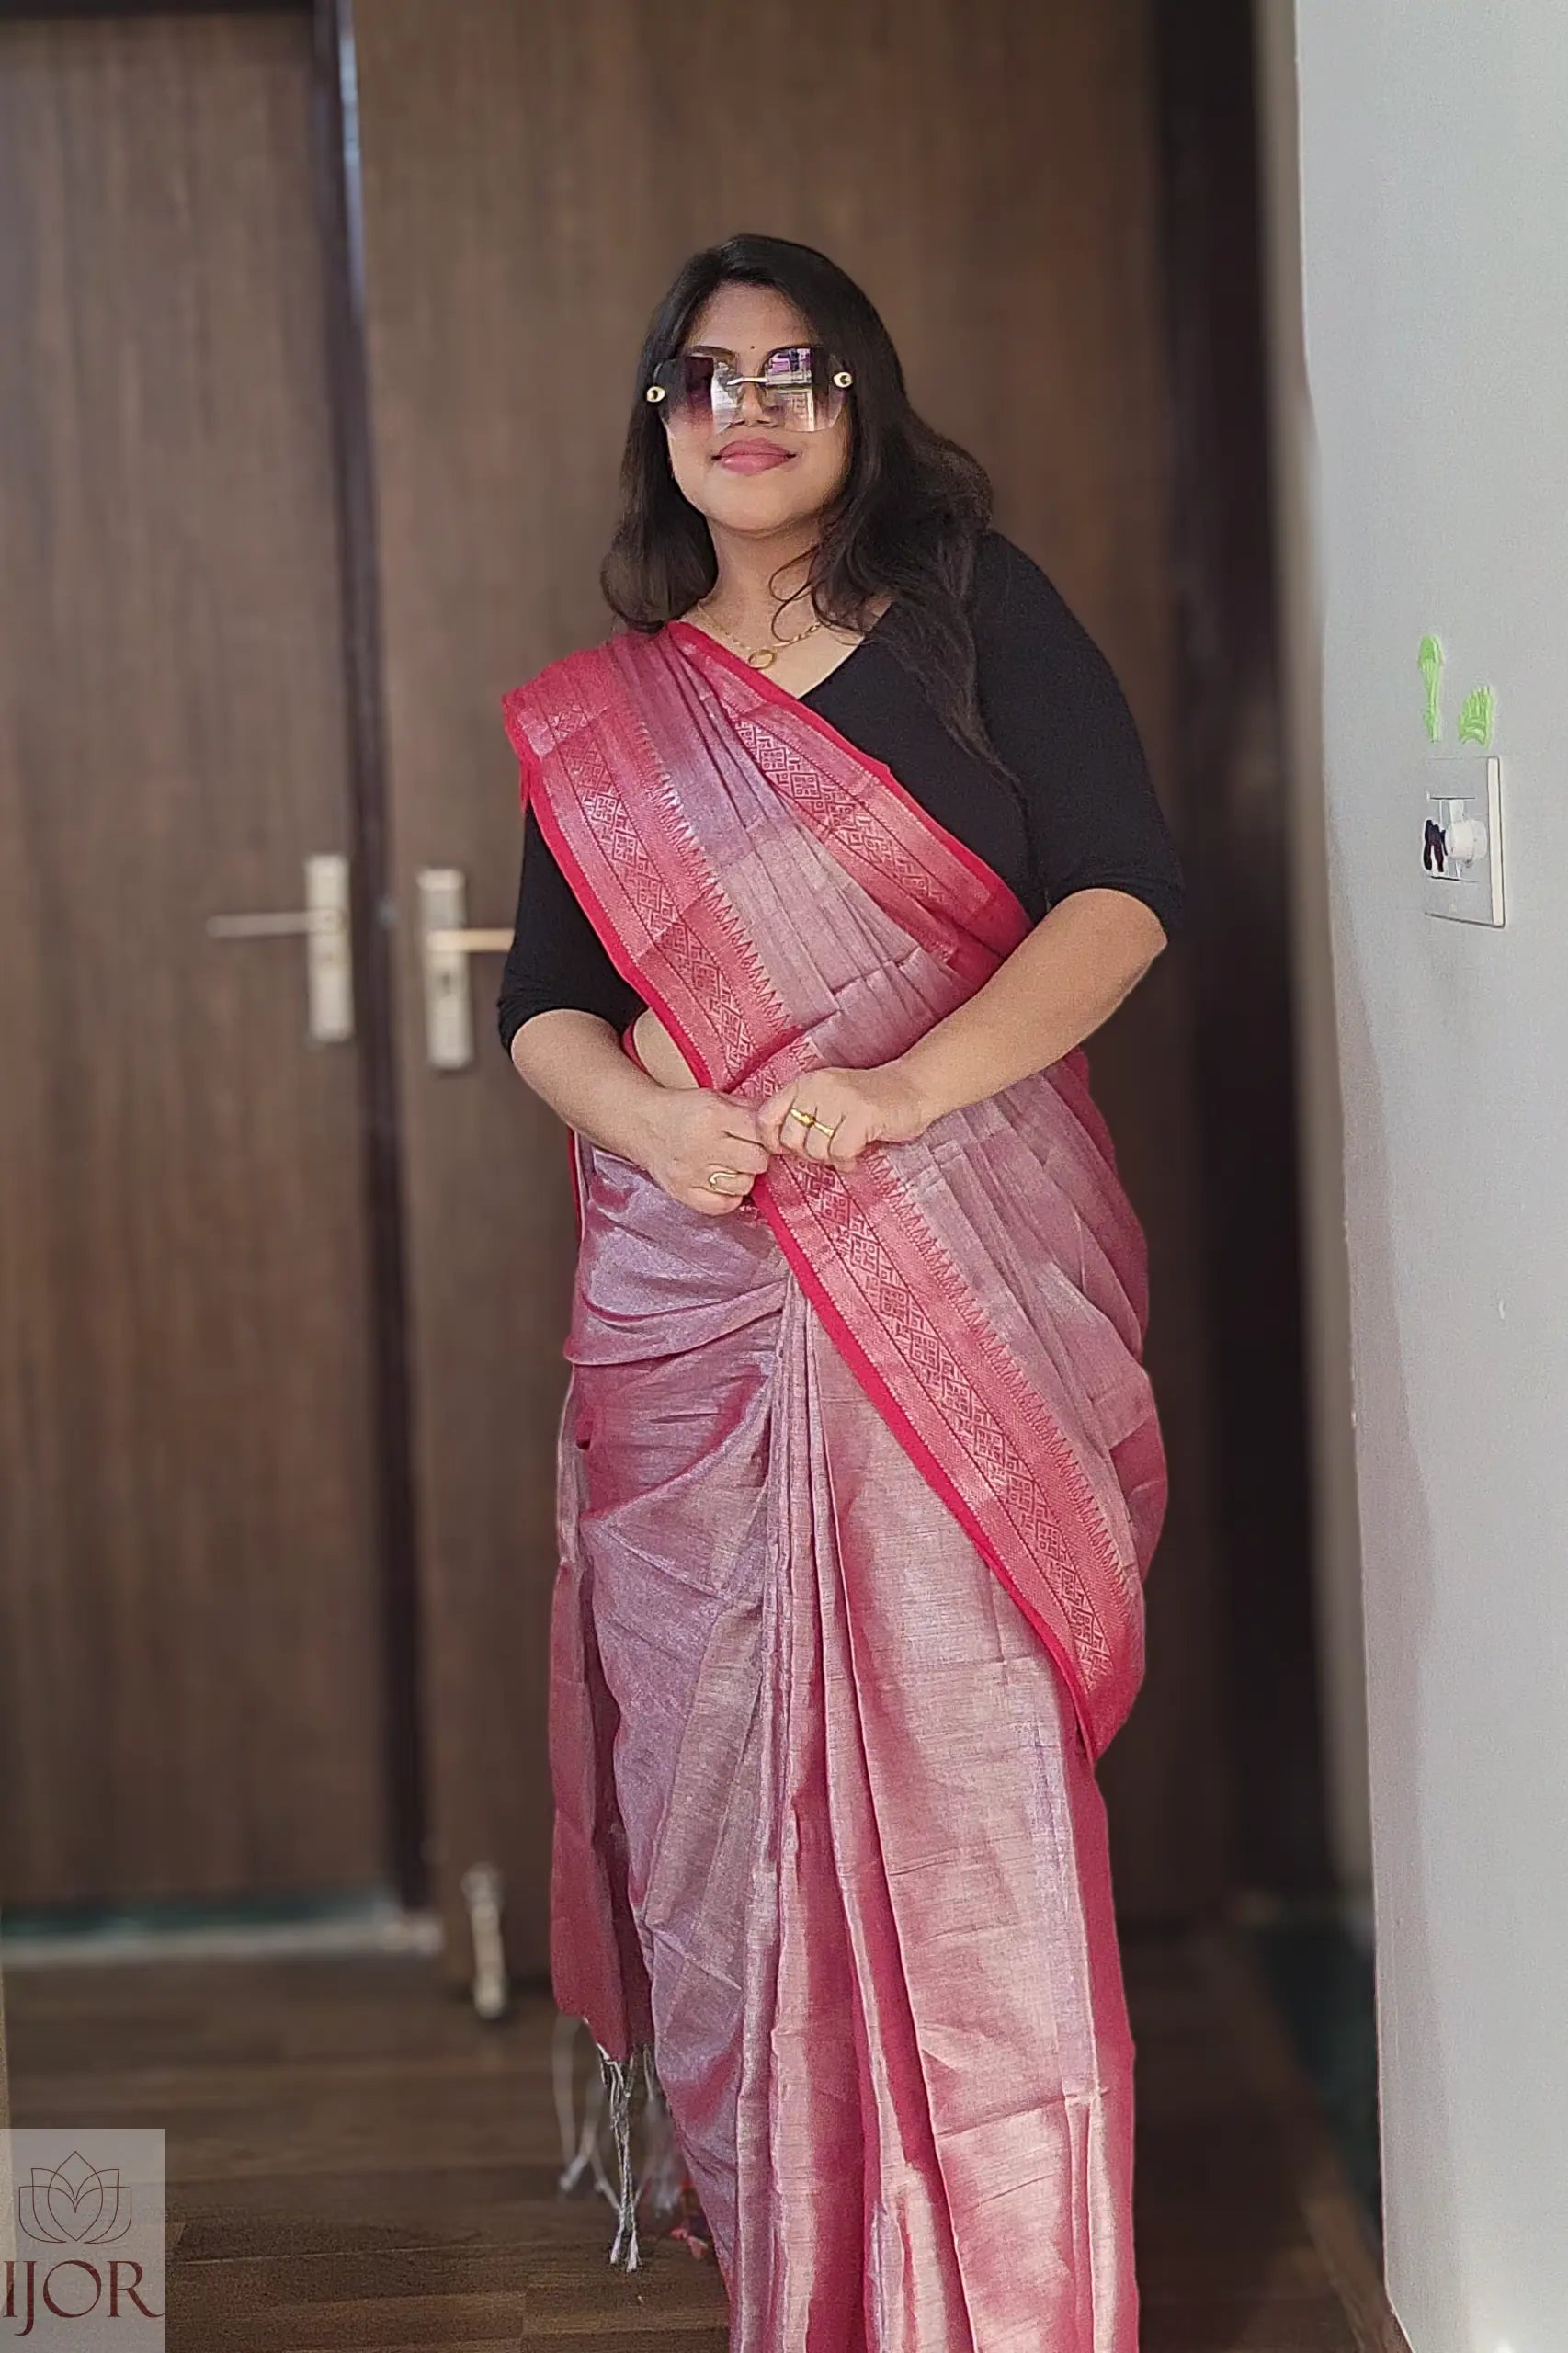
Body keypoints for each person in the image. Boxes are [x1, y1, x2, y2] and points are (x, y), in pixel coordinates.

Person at [497, 231, 1180, 2353]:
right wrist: (653, 1125)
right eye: (706, 378)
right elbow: (546, 1013)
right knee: (731, 1801)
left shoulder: (973, 618)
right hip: (704, 1312)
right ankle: (801, 2259)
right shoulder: (612, 718)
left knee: (966, 1772)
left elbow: (1121, 897)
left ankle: (1012, 2289)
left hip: (964, 1279)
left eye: (798, 370)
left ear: (859, 403)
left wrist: (897, 1086)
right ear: (661, 425)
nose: (753, 408)